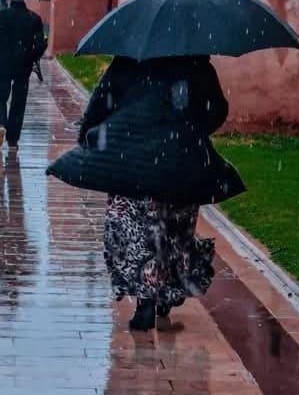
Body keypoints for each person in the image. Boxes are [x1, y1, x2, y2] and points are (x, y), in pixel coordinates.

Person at [78, 55, 226, 330]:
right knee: (171, 231)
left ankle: (146, 300)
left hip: (131, 159)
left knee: (133, 229)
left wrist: (90, 133)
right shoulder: (196, 66)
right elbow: (217, 110)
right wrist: (193, 130)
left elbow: (101, 102)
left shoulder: (128, 62)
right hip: (178, 161)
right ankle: (166, 288)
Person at [0, 0, 46, 151]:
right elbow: (40, 45)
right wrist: (31, 58)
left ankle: (1, 124)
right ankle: (13, 139)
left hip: (2, 65)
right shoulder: (33, 19)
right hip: (23, 67)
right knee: (19, 103)